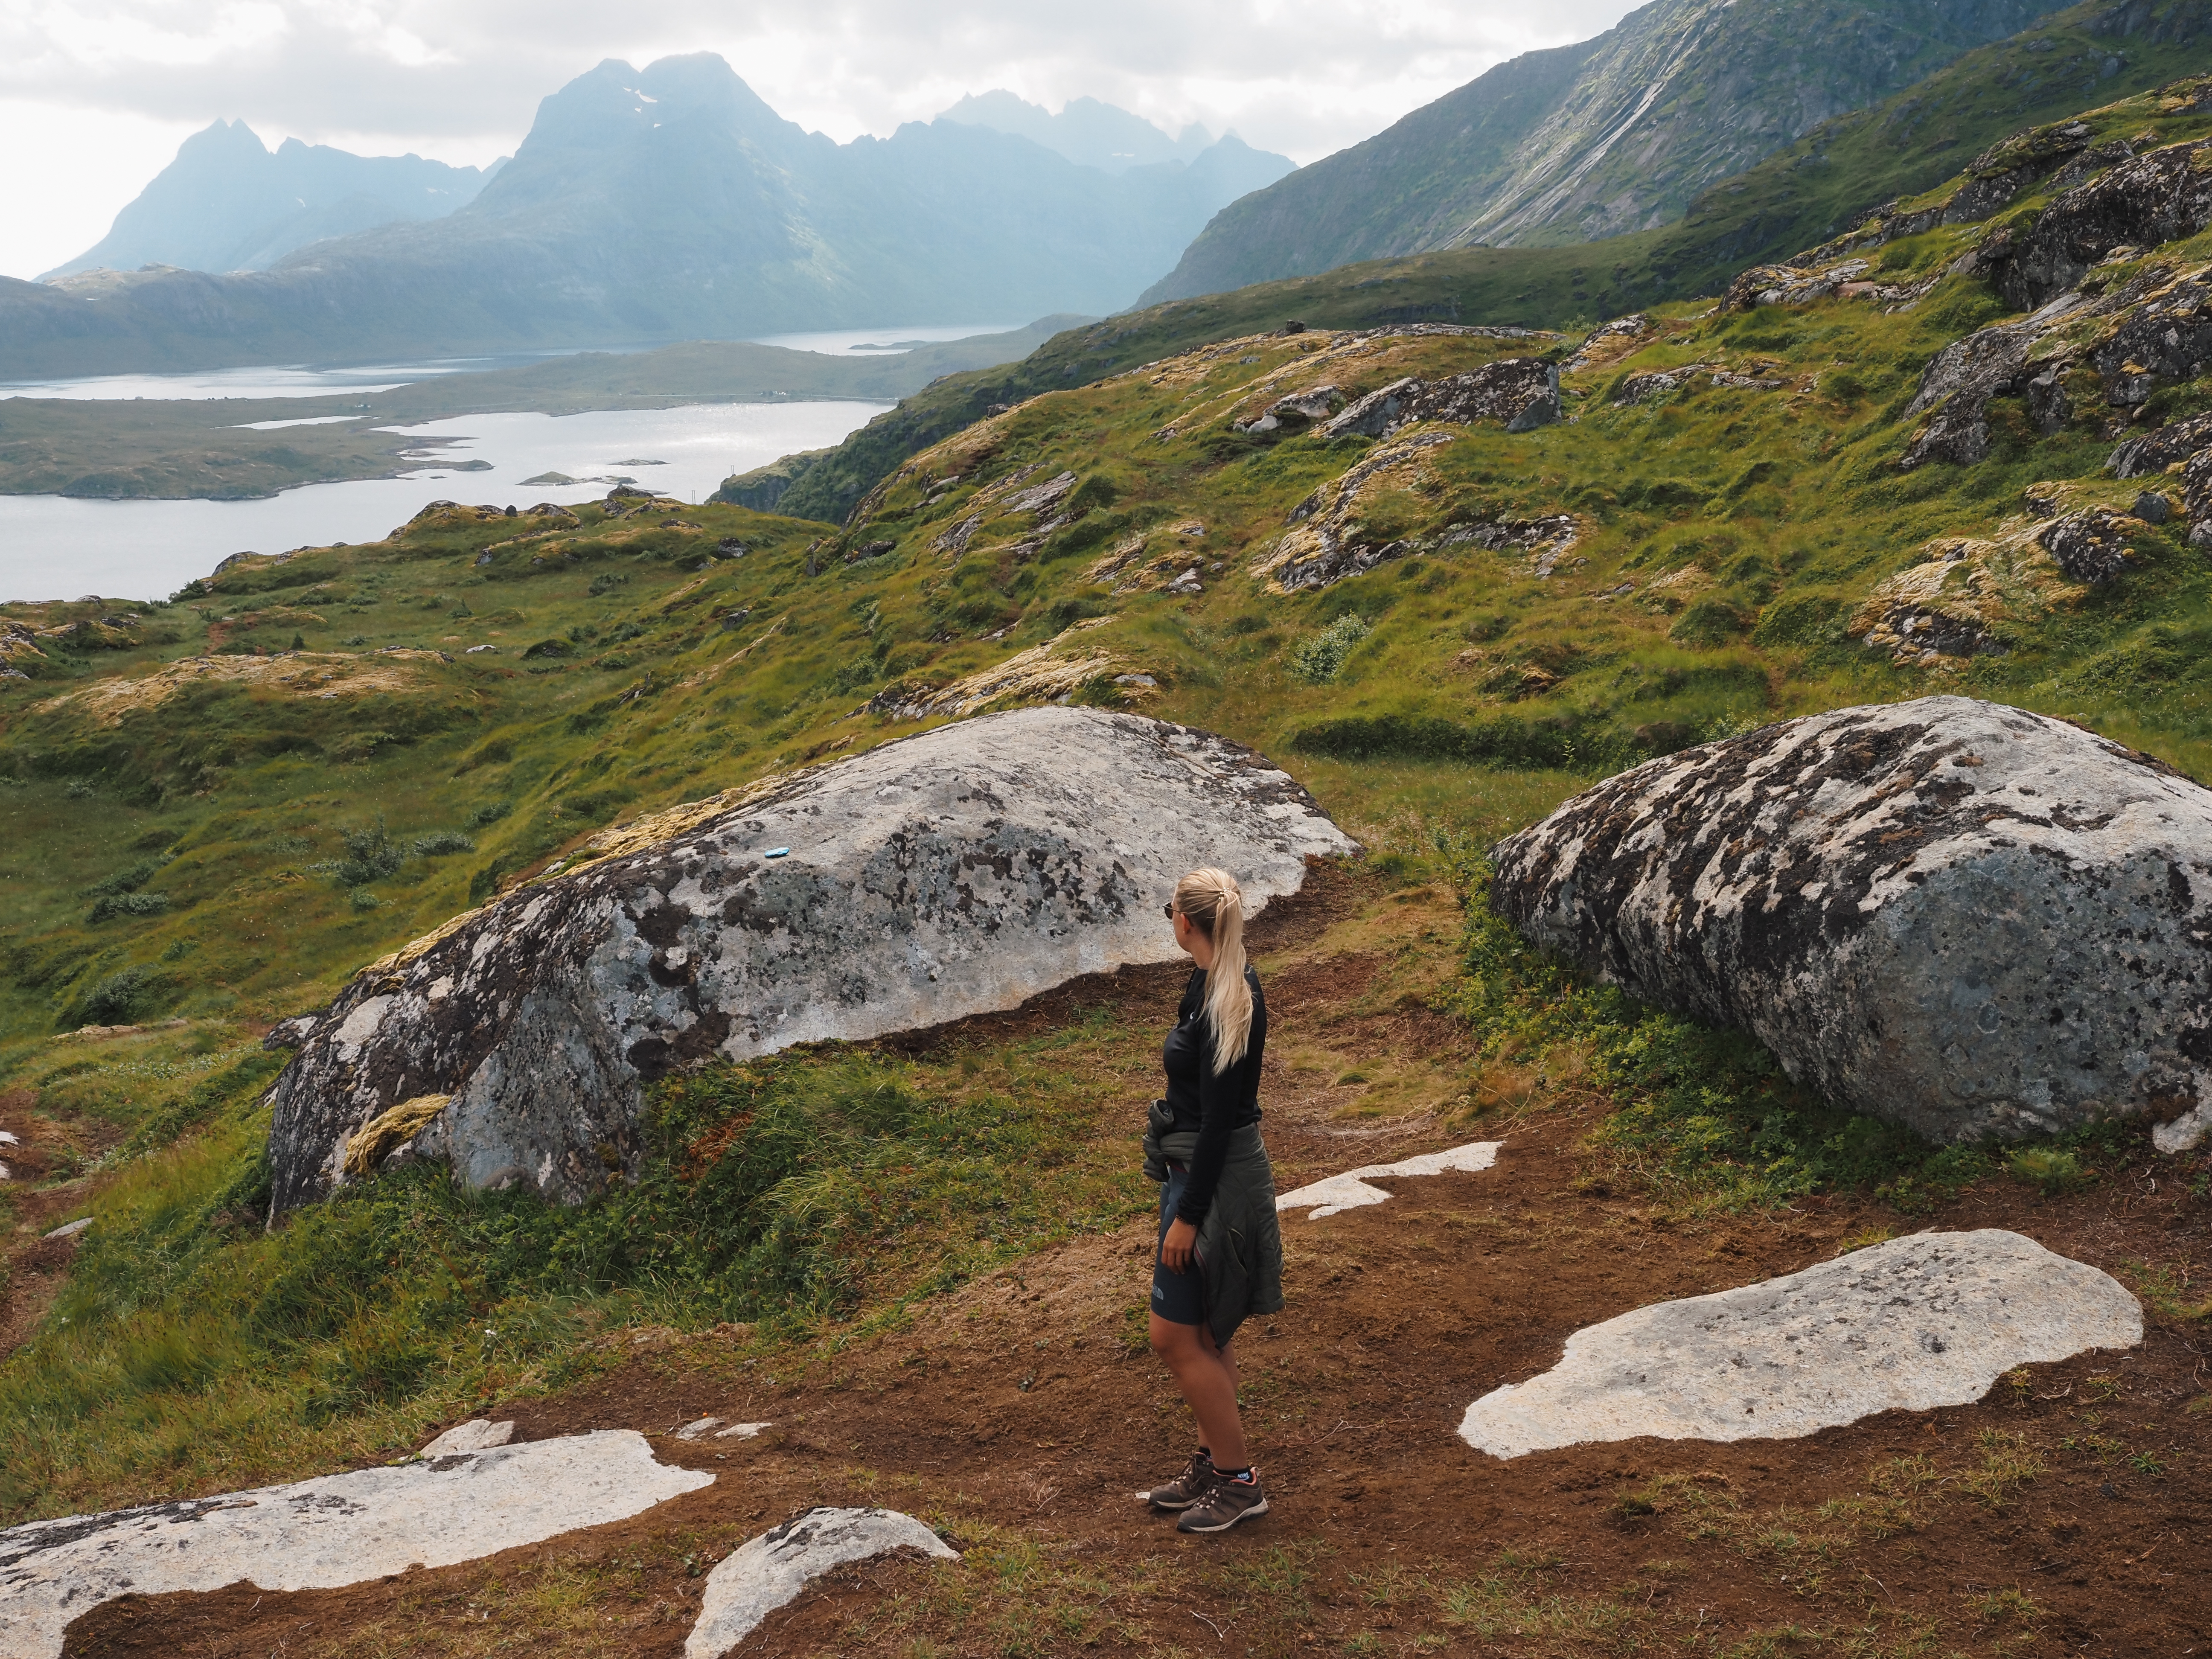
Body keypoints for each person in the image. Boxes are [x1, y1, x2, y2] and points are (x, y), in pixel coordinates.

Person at [1139, 867, 1284, 1534]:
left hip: (1212, 1181)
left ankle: (1239, 1481)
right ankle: (1214, 1462)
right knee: (1203, 1330)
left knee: (1172, 1336)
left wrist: (1190, 1216)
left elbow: (1223, 1122)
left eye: (1171, 907)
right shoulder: (1206, 982)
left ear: (1185, 923)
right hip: (1194, 1170)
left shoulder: (1231, 999)